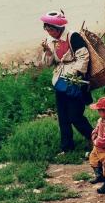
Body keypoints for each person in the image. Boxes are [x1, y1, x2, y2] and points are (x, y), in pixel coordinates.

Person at [40, 10, 93, 155]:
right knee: (63, 117)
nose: (48, 32)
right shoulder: (50, 41)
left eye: (51, 29)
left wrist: (73, 75)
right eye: (46, 28)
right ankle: (67, 148)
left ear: (59, 28)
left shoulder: (73, 37)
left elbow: (83, 57)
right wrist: (48, 52)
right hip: (59, 81)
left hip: (75, 81)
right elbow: (48, 63)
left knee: (75, 115)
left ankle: (94, 139)